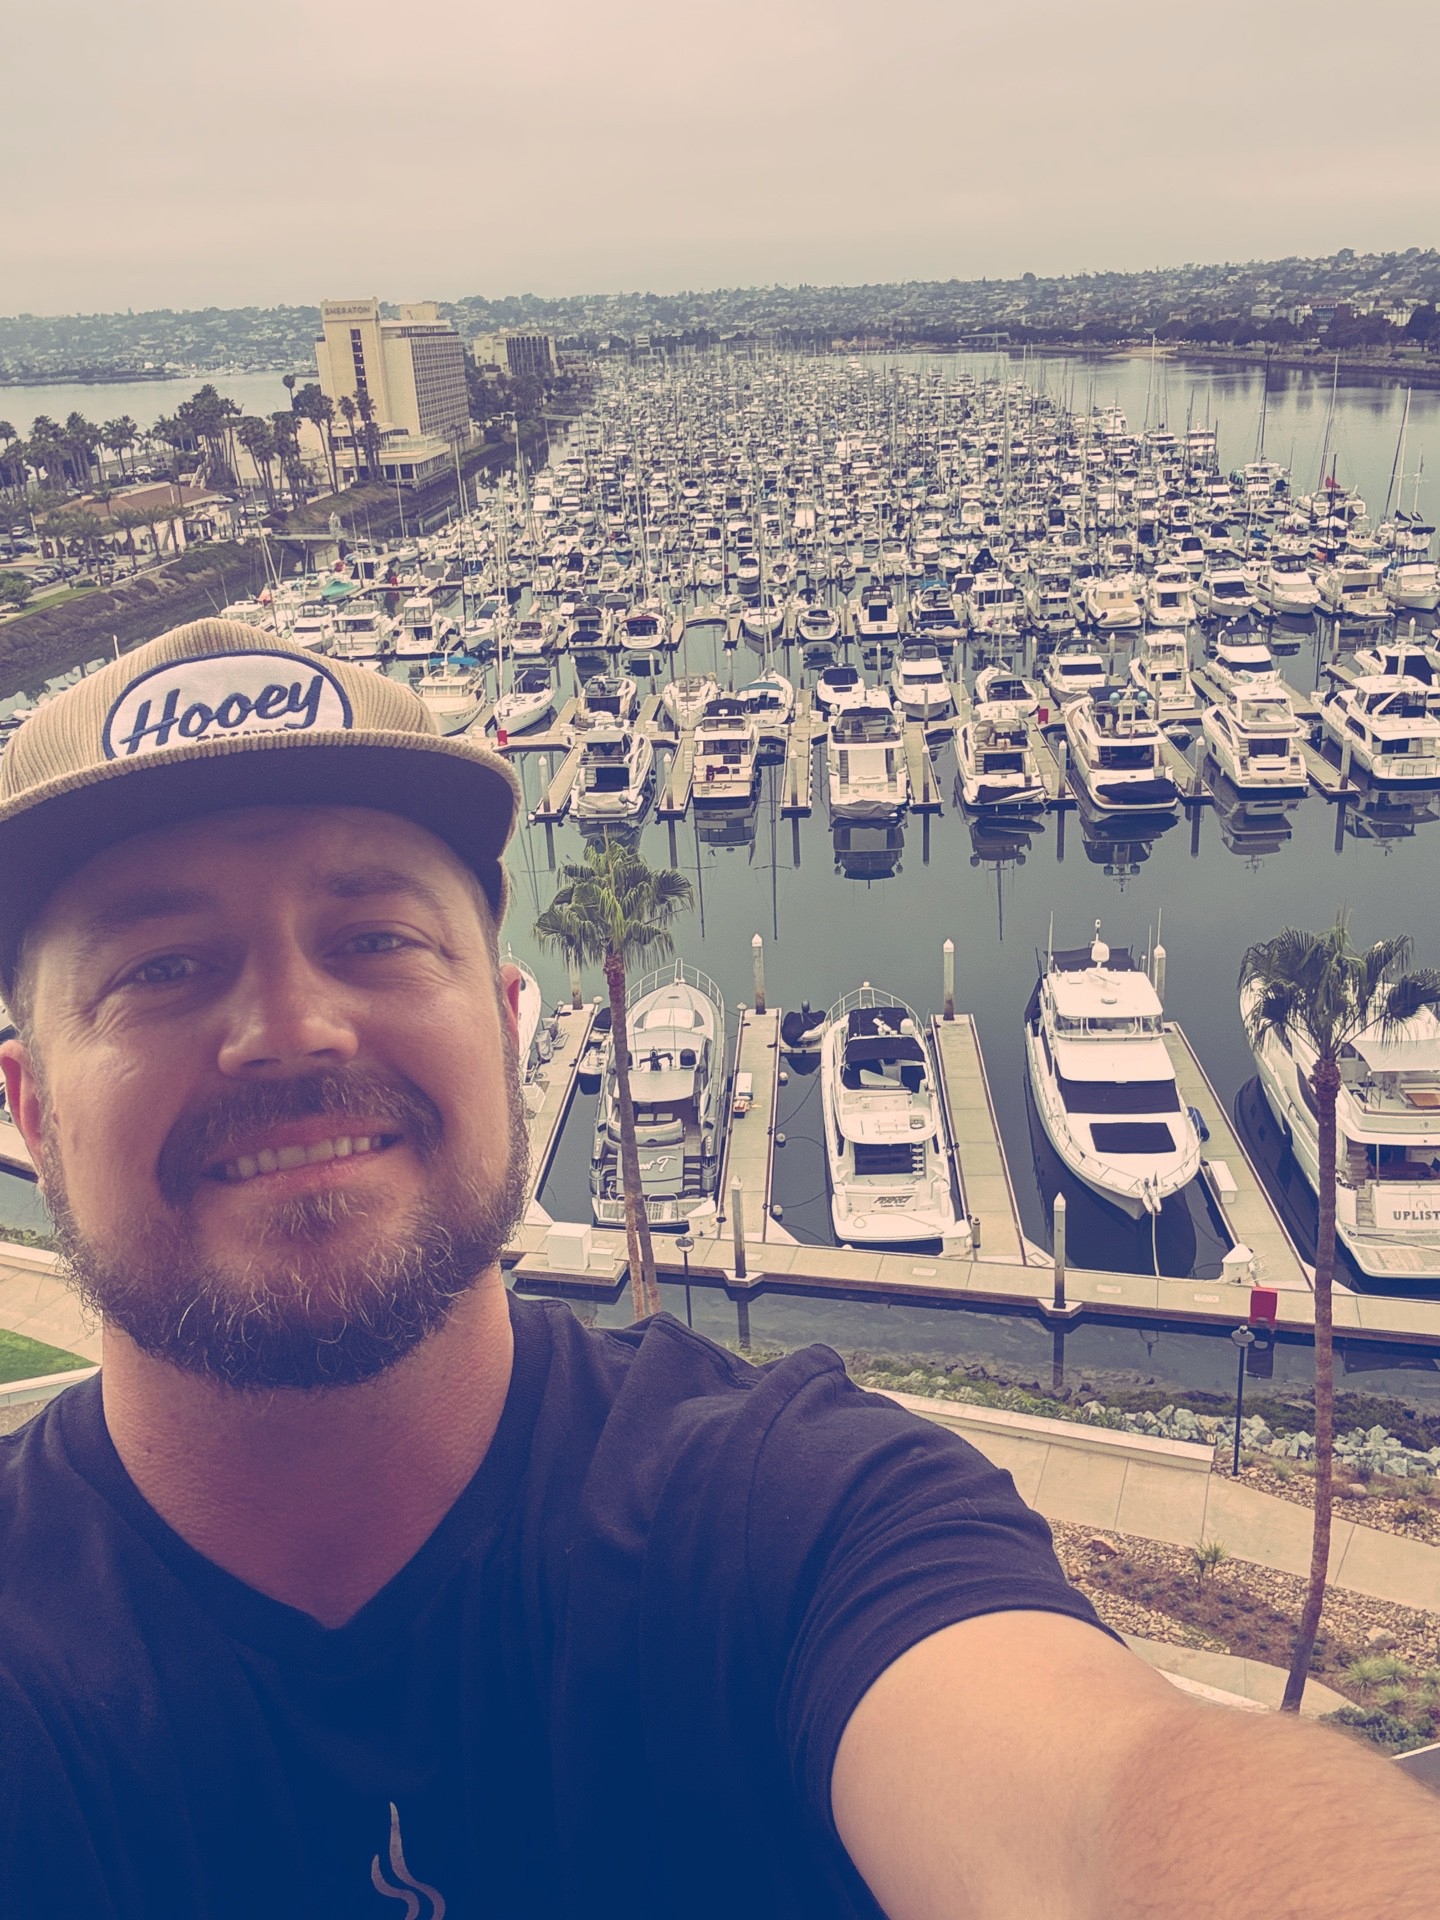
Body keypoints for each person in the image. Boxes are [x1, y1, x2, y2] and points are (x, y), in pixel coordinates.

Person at [0, 619, 1433, 1919]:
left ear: (509, 1020)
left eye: (375, 937)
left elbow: (1103, 1800)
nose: (294, 1027)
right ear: (30, 1108)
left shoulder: (799, 1527)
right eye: (161, 968)